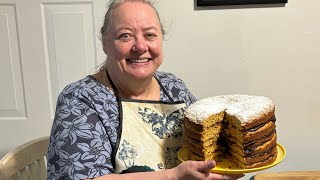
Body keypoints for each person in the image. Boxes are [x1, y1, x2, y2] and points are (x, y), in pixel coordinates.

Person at [47, 0, 244, 179]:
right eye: (125, 36)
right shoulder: (81, 99)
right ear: (105, 43)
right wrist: (173, 177)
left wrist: (223, 168)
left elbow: (205, 146)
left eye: (150, 35)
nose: (140, 46)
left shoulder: (173, 87)